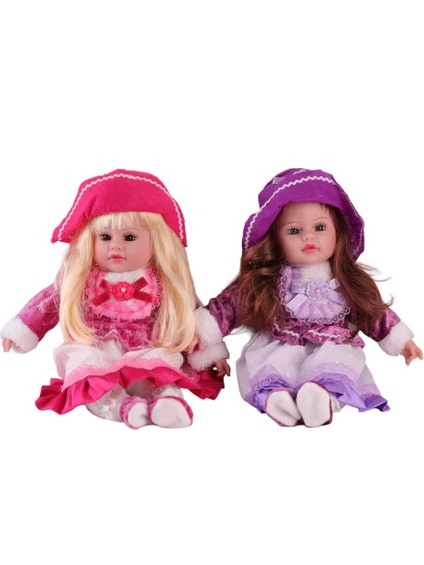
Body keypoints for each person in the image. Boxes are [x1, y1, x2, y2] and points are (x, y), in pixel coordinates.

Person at [190, 168, 422, 427]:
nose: (308, 236)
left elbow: (372, 312)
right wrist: (202, 332)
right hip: (281, 343)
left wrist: (401, 340)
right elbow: (230, 305)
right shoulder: (267, 280)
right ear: (275, 239)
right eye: (293, 231)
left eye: (320, 227)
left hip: (332, 344)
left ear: (338, 232)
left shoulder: (346, 280)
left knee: (334, 363)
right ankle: (276, 398)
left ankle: (321, 397)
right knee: (272, 366)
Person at [1, 169, 224, 429]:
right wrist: (20, 330)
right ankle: (121, 406)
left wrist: (211, 352)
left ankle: (168, 401)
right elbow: (46, 304)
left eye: (129, 237)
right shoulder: (81, 282)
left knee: (158, 364)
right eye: (105, 237)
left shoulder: (164, 284)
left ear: (157, 242)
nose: (115, 246)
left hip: (145, 347)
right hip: (97, 347)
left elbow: (191, 313)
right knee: (88, 368)